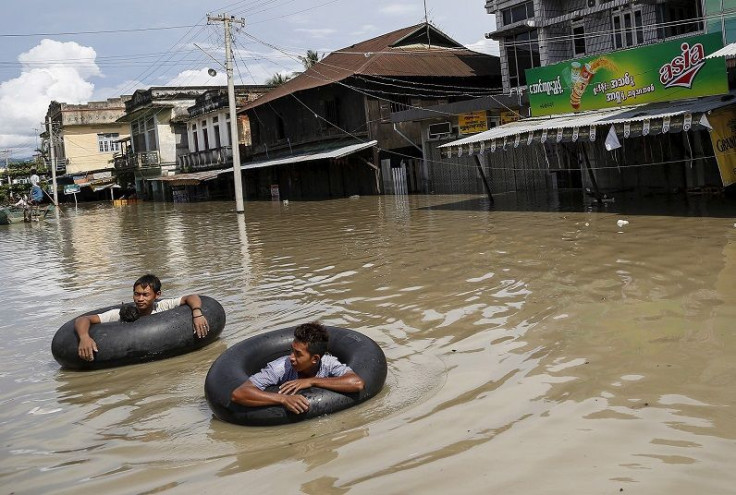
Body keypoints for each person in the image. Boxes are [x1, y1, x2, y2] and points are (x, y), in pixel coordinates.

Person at [230, 322, 365, 414]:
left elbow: (357, 383)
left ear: (315, 359)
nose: (291, 357)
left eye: (298, 354)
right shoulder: (280, 368)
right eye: (292, 350)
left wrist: (312, 381)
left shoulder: (328, 363)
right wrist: (283, 399)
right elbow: (239, 394)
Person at [74, 274, 210, 361]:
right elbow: (83, 319)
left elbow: (191, 297)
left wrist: (197, 312)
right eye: (136, 294)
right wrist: (84, 337)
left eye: (145, 295)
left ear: (157, 295)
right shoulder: (122, 314)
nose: (140, 299)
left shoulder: (162, 306)